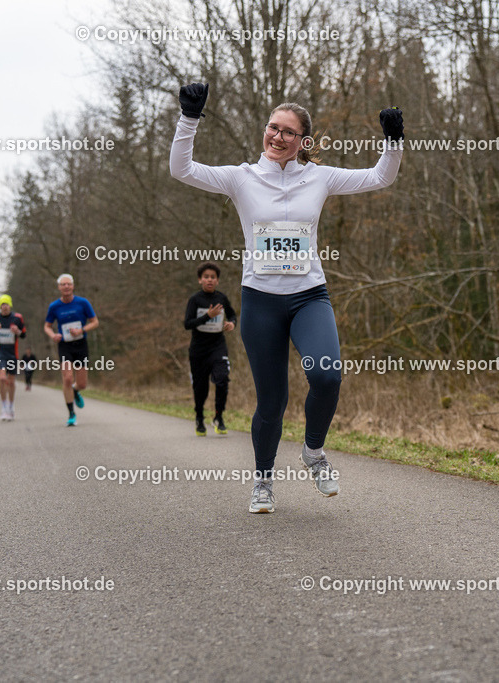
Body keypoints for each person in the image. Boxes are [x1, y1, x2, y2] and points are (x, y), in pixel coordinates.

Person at [170, 82, 403, 513]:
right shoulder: (241, 178)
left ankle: (313, 453)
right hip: (260, 302)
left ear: (303, 141)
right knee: (272, 401)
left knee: (328, 375)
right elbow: (182, 169)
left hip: (308, 297)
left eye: (288, 132)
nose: (277, 137)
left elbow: (380, 177)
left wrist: (392, 142)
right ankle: (263, 481)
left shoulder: (320, 176)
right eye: (272, 128)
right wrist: (189, 118)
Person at [184, 262, 237, 437]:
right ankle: (199, 416)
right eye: (206, 277)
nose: (209, 280)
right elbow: (187, 324)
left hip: (217, 347)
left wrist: (231, 323)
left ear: (217, 280)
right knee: (201, 388)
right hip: (198, 350)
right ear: (200, 280)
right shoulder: (195, 300)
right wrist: (208, 316)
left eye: (213, 277)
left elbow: (233, 314)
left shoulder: (222, 298)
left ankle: (218, 417)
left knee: (222, 379)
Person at [43, 273, 99, 426]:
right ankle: (71, 414)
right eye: (63, 284)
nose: (66, 287)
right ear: (59, 287)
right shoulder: (54, 306)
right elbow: (47, 326)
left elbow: (95, 322)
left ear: (73, 286)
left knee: (82, 384)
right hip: (65, 345)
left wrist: (82, 329)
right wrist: (53, 335)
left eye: (68, 284)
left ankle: (75, 391)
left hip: (81, 344)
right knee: (67, 378)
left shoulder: (83, 302)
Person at [0, 295, 26, 421]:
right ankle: (3, 407)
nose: (4, 307)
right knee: (1, 378)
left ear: (10, 305)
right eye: (2, 304)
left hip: (12, 354)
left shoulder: (17, 318)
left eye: (6, 304)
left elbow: (23, 334)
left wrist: (17, 331)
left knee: (11, 382)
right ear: (0, 306)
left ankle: (11, 407)